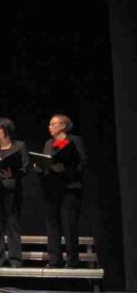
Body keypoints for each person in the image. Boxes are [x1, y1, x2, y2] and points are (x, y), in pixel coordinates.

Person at [37, 114, 87, 268]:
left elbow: (82, 162)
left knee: (69, 225)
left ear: (63, 126)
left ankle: (72, 261)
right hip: (51, 189)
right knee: (52, 225)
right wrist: (38, 167)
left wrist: (65, 169)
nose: (50, 127)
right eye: (50, 124)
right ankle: (55, 260)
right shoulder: (48, 143)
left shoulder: (73, 140)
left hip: (69, 187)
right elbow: (44, 161)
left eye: (54, 124)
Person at [0, 118, 29, 268]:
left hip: (12, 189)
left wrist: (12, 173)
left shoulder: (19, 146)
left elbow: (25, 167)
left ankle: (15, 259)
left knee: (13, 223)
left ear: (6, 131)